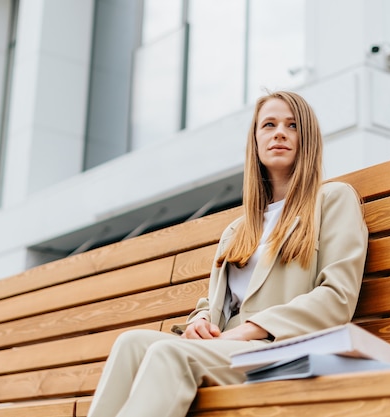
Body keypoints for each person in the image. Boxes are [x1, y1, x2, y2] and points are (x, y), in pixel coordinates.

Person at [86, 91, 369, 417]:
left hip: (284, 346)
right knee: (130, 343)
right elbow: (216, 303)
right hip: (228, 345)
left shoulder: (332, 200)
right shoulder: (238, 230)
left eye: (292, 125)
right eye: (269, 125)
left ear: (308, 140)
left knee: (170, 355)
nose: (280, 132)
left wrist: (251, 329)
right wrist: (201, 322)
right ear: (256, 141)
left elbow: (337, 298)